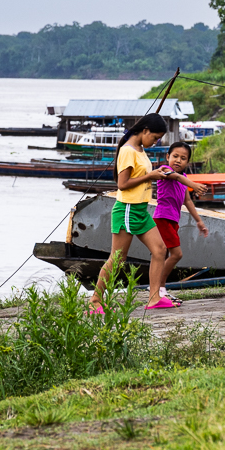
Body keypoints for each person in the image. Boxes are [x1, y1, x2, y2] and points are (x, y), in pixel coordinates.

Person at [92, 112, 177, 312]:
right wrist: (151, 176)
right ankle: (95, 300)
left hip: (140, 209)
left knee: (160, 250)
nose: (155, 142)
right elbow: (122, 184)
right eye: (155, 138)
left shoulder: (139, 149)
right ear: (145, 130)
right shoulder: (128, 151)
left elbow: (141, 176)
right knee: (118, 258)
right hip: (128, 209)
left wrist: (155, 175)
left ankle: (155, 298)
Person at [153, 141, 209, 300]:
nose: (178, 160)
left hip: (173, 220)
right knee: (176, 254)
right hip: (162, 217)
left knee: (165, 255)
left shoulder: (184, 178)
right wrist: (193, 184)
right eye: (175, 156)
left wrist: (199, 221)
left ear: (187, 162)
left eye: (183, 158)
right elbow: (175, 176)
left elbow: (188, 201)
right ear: (167, 157)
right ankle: (159, 288)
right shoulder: (165, 170)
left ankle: (157, 289)